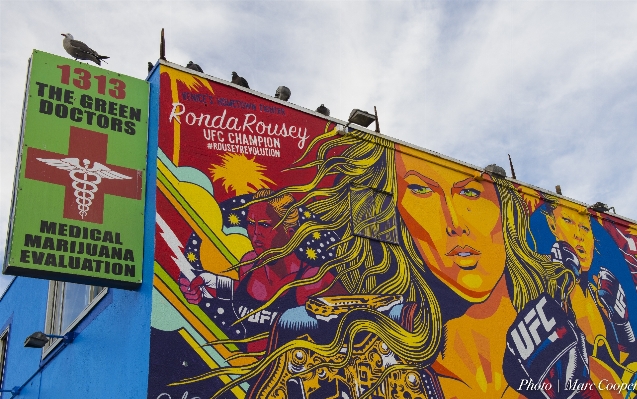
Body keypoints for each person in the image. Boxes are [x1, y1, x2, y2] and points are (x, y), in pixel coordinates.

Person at [173, 130, 624, 399]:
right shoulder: (358, 360)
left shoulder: (565, 324)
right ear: (395, 217)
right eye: (422, 192)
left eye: (471, 193)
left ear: (507, 212)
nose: (454, 225)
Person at [179, 188, 339, 353]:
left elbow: (350, 324)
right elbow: (243, 295)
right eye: (250, 223)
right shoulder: (249, 264)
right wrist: (204, 285)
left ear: (290, 232)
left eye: (264, 225)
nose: (255, 234)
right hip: (247, 371)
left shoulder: (313, 280)